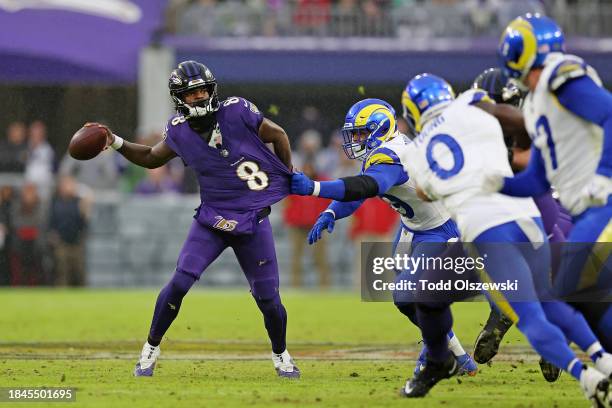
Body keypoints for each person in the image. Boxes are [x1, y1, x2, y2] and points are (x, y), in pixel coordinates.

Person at [399, 73, 611, 404]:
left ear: (412, 112)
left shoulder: (415, 151)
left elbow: (426, 193)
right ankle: (602, 358)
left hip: (486, 230)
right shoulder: (473, 104)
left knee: (525, 313)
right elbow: (518, 121)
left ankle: (587, 378)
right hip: (529, 216)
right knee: (545, 301)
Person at [94, 60, 298, 378]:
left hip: (252, 218)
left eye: (203, 90)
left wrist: (287, 173)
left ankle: (281, 354)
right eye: (192, 94)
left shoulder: (237, 111)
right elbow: (149, 157)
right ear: (179, 99)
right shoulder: (179, 131)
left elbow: (279, 134)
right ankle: (149, 349)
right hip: (212, 219)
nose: (200, 97)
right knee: (179, 282)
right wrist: (116, 142)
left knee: (268, 298)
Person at [290, 98, 477, 377]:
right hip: (412, 227)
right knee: (406, 299)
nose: (355, 140)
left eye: (362, 133)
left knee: (411, 295)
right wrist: (332, 211)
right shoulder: (382, 151)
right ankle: (459, 358)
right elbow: (363, 190)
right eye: (354, 134)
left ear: (380, 129)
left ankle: (437, 356)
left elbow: (368, 185)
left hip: (440, 229)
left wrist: (316, 188)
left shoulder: (391, 156)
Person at [491, 13, 612, 351]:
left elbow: (610, 113)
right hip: (587, 211)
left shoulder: (561, 74)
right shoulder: (536, 102)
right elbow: (536, 180)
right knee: (582, 299)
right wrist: (494, 184)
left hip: (604, 203)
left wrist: (604, 174)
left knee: (569, 290)